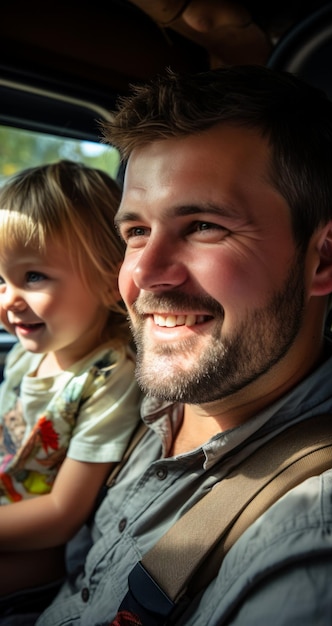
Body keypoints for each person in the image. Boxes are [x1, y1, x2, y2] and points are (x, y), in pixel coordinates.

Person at [35, 65, 332, 625]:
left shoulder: (311, 538)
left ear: (323, 257)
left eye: (204, 225)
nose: (145, 274)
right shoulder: (147, 400)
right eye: (135, 232)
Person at [0, 160, 142, 602]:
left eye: (34, 276)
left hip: (31, 566)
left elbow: (63, 514)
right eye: (0, 280)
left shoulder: (110, 378)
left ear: (106, 280)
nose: (10, 300)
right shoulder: (27, 357)